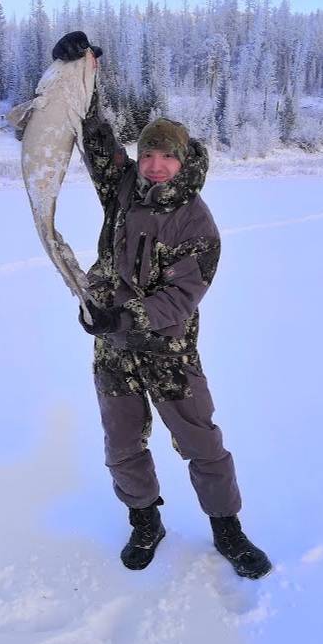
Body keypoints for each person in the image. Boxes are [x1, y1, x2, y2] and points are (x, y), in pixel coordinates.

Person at [52, 32, 272, 579]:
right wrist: (83, 72)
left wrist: (122, 317)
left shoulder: (198, 223)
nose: (152, 165)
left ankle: (228, 528)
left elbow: (180, 297)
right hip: (112, 347)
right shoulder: (122, 188)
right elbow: (95, 136)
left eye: (164, 157)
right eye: (147, 153)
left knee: (201, 441)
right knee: (122, 441)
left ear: (182, 161)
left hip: (167, 349)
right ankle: (144, 521)